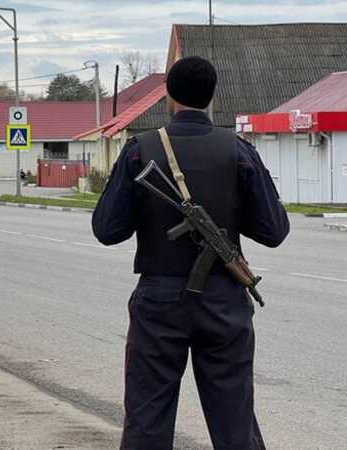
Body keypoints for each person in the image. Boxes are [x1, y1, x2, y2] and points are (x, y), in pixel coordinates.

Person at [92, 56, 289, 450]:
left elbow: (107, 230)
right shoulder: (238, 151)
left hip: (159, 302)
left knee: (147, 420)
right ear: (212, 96)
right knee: (234, 421)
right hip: (224, 303)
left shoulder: (139, 150)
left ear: (168, 95)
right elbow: (273, 231)